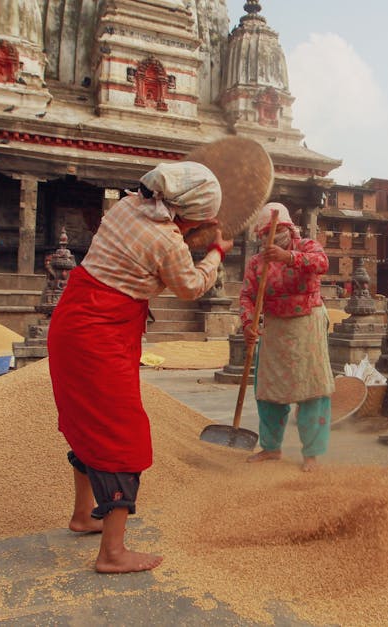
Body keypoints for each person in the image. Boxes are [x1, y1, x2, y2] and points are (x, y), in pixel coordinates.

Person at [48, 161, 233, 574]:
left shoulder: (126, 206)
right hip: (100, 333)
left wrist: (190, 228)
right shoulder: (167, 241)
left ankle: (84, 514)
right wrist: (217, 252)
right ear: (188, 213)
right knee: (121, 435)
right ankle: (112, 552)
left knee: (86, 425)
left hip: (73, 321)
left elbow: (159, 240)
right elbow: (190, 286)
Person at [240, 203, 334, 472]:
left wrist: (287, 256)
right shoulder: (257, 263)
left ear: (288, 228)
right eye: (265, 233)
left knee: (312, 390)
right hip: (275, 327)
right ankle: (271, 447)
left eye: (276, 230)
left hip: (308, 323)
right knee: (269, 390)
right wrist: (248, 323)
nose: (270, 235)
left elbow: (322, 264)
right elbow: (247, 295)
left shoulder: (307, 246)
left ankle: (311, 454)